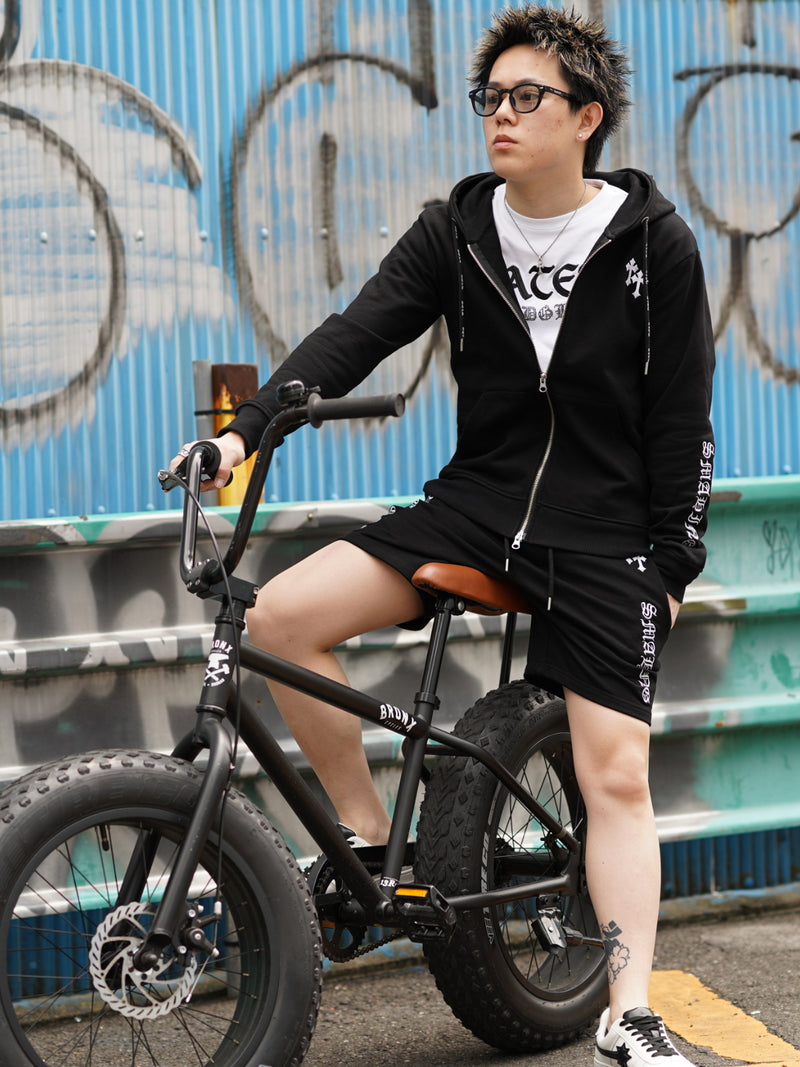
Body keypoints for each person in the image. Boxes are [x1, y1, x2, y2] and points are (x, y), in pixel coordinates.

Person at [172, 5, 714, 1064]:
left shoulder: (654, 243)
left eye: (527, 97)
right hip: (477, 500)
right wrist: (241, 435)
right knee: (277, 617)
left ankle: (628, 1008)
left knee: (613, 776)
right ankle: (380, 842)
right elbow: (352, 336)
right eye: (489, 98)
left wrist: (671, 562)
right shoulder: (454, 232)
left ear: (586, 118)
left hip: (603, 529)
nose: (500, 115)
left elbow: (682, 418)